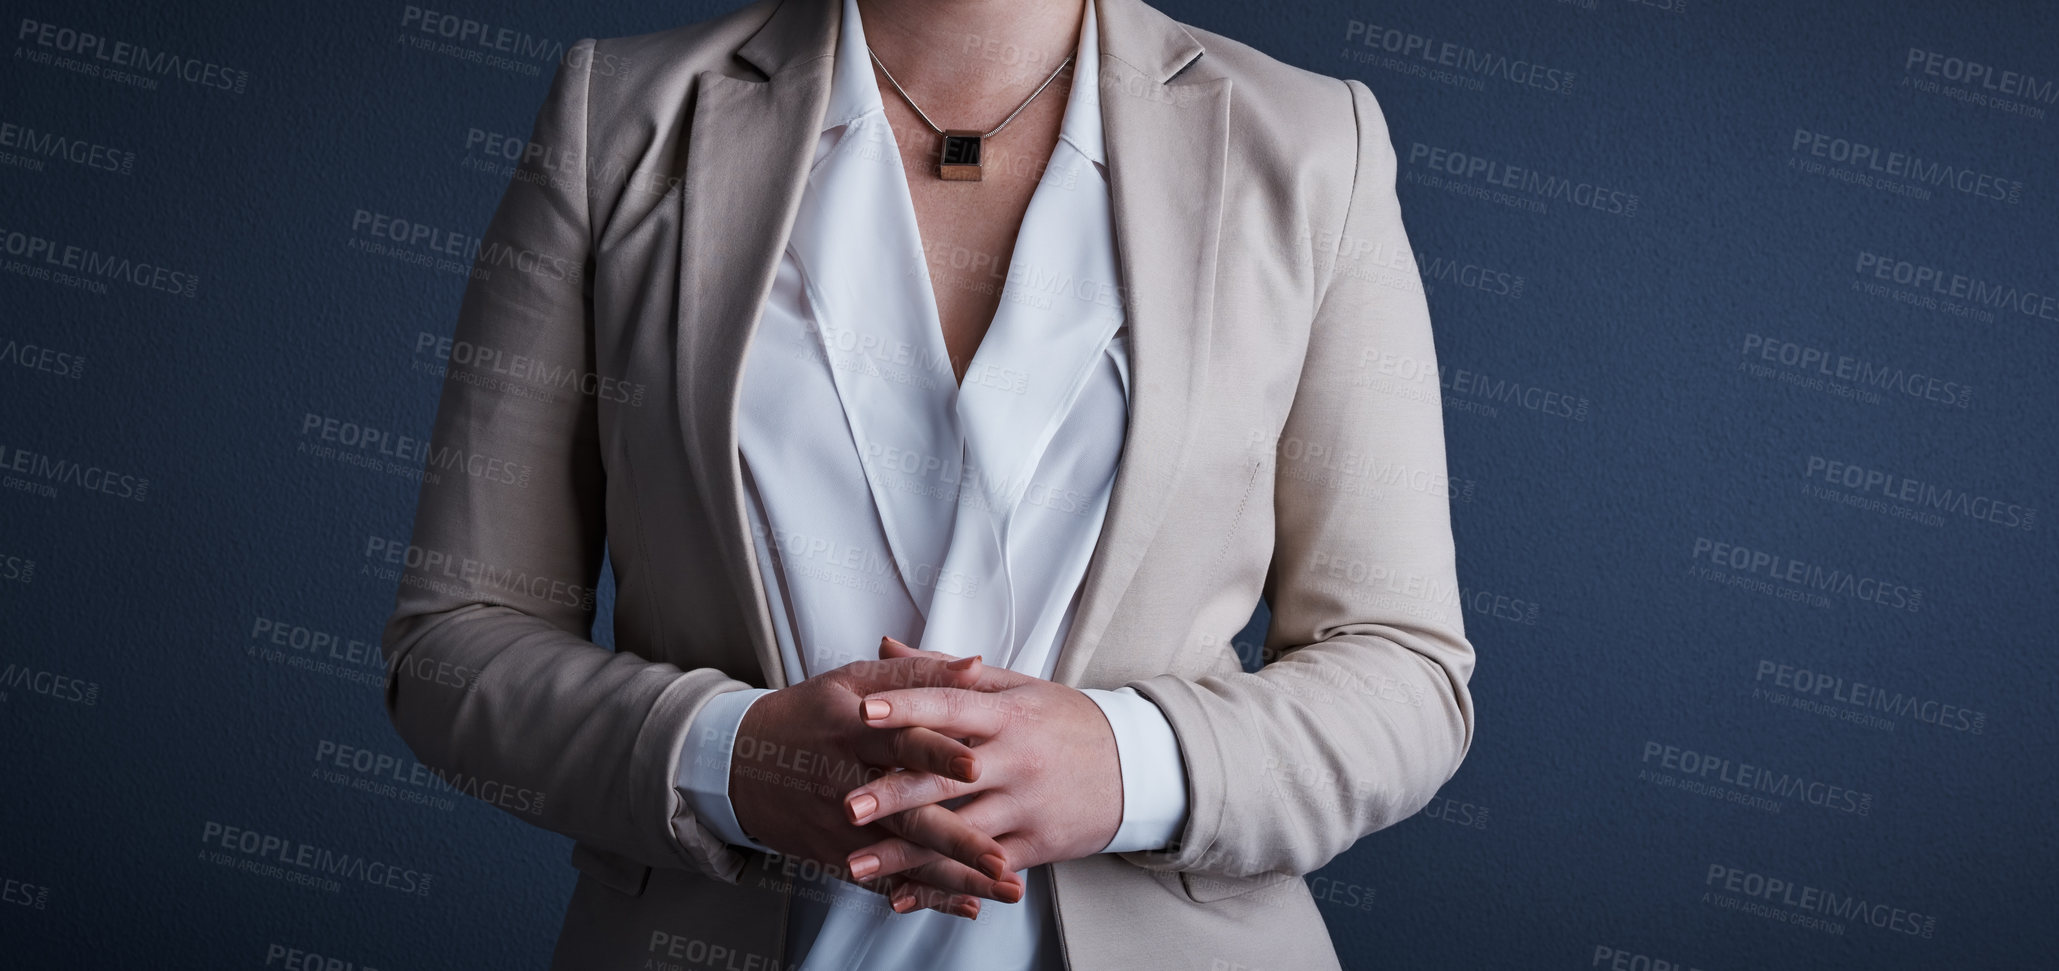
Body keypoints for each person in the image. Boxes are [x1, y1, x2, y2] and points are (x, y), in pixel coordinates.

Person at [379, 0, 1476, 967]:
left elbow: (1405, 670)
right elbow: (457, 638)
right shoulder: (616, 117)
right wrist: (726, 756)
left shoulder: (1310, 144)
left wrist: (1136, 760)